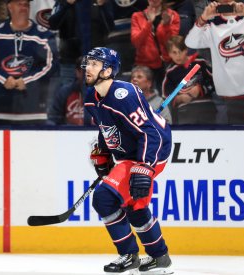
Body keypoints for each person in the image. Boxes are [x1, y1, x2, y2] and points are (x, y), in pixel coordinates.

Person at [82, 47, 172, 274]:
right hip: (129, 153)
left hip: (153, 150)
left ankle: (129, 256)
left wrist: (144, 167)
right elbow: (107, 127)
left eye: (94, 63)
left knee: (104, 197)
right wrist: (103, 152)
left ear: (108, 70)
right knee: (135, 205)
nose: (88, 68)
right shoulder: (90, 98)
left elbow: (151, 134)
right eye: (88, 63)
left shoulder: (126, 95)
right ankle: (159, 258)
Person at [185, 0, 244, 125]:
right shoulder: (211, 26)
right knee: (238, 138)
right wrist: (202, 18)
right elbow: (190, 42)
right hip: (232, 94)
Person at [0, 0, 59, 125]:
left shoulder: (43, 35)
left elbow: (51, 65)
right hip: (1, 109)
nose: (23, 8)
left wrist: (26, 80)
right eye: (19, 4)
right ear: (10, 7)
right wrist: (4, 79)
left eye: (26, 5)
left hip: (34, 110)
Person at [163, 35, 216, 124]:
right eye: (174, 52)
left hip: (206, 107)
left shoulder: (200, 62)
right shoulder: (170, 72)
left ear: (186, 50)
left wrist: (201, 89)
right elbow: (166, 96)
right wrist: (179, 99)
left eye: (180, 51)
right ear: (169, 54)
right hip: (185, 110)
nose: (178, 55)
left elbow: (215, 82)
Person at [131, 0, 180, 93]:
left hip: (166, 64)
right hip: (144, 65)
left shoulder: (172, 15)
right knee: (141, 99)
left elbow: (172, 44)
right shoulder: (137, 16)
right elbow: (136, 42)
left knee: (167, 97)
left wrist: (166, 26)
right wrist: (149, 23)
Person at [47, 56, 89, 125]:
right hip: (68, 133)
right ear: (77, 72)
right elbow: (53, 119)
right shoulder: (65, 92)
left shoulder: (104, 94)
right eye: (86, 71)